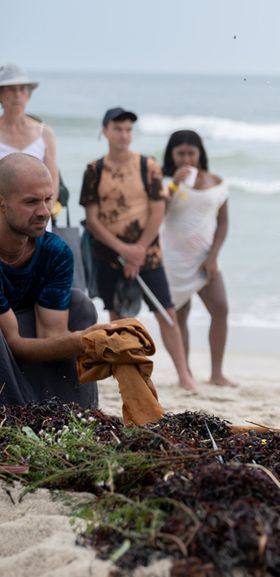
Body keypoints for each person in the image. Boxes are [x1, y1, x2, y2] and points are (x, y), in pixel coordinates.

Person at [80, 107, 199, 392]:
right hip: (108, 255)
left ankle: (185, 376)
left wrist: (138, 250)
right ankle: (126, 375)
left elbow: (158, 211)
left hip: (148, 254)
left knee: (166, 312)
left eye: (128, 129)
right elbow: (93, 220)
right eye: (118, 129)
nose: (124, 135)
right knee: (117, 316)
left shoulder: (148, 166)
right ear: (105, 131)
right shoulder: (94, 170)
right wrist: (123, 250)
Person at [0, 153, 102, 406]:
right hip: (5, 342)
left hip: (22, 332)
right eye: (31, 202)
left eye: (48, 199)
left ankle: (74, 413)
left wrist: (92, 342)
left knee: (80, 304)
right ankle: (14, 414)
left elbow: (52, 336)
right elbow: (13, 343)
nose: (44, 212)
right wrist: (82, 341)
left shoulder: (55, 251)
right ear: (1, 203)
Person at [160, 130, 235, 387]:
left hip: (205, 258)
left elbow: (223, 222)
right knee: (180, 316)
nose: (186, 159)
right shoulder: (164, 182)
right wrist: (175, 185)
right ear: (171, 154)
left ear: (200, 153)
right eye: (180, 153)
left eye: (191, 153)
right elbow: (159, 214)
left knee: (221, 308)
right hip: (173, 259)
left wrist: (213, 256)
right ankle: (186, 374)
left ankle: (217, 373)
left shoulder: (216, 181)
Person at [0, 65, 59, 216]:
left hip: (39, 216)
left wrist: (45, 212)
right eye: (11, 89)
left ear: (28, 94)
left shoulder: (45, 132)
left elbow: (53, 179)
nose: (17, 95)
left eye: (22, 89)